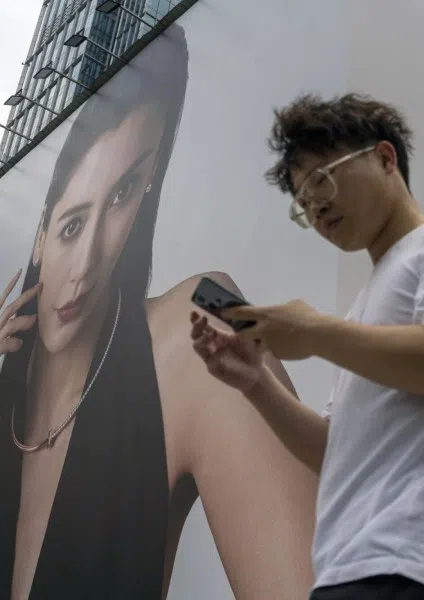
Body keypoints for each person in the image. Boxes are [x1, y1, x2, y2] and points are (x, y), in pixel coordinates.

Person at [0, 24, 318, 600]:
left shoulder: (207, 308)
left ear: (149, 188)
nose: (85, 266)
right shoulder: (6, 398)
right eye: (72, 224)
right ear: (41, 234)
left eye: (123, 195)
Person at [188, 92, 424, 600]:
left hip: (422, 565)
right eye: (302, 200)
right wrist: (256, 383)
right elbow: (332, 451)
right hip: (349, 568)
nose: (315, 205)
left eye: (322, 178)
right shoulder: (362, 308)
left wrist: (315, 332)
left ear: (386, 158)